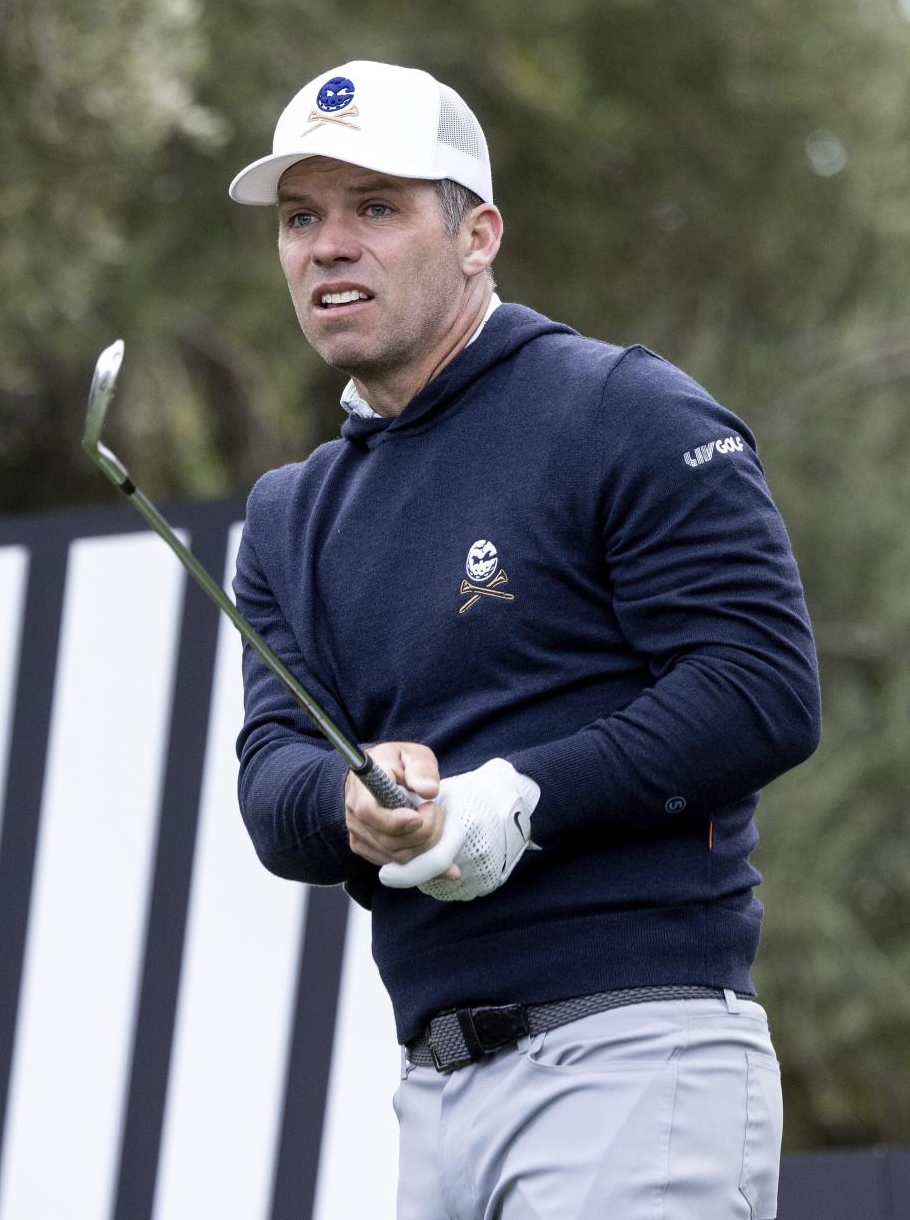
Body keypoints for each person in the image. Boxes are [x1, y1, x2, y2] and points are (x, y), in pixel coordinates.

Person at [229, 60, 820, 1219]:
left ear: (478, 234)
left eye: (377, 208)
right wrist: (352, 804)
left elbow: (762, 687)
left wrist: (515, 798)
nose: (328, 245)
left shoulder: (622, 410)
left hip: (633, 1055)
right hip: (433, 1096)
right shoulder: (288, 513)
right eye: (303, 218)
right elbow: (269, 777)